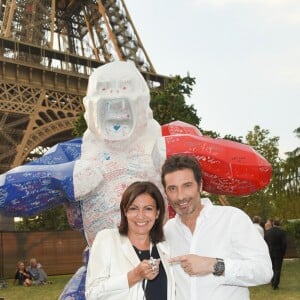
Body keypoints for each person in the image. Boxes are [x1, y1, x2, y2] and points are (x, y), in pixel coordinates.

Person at [162, 154, 273, 300]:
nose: (180, 196)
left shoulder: (232, 219)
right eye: (172, 189)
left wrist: (214, 265)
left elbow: (264, 271)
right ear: (166, 193)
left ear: (200, 185)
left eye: (187, 186)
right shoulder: (167, 230)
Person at [85, 181, 175, 300]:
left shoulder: (165, 247)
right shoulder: (107, 239)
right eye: (133, 208)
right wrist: (133, 276)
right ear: (125, 211)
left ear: (157, 213)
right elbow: (92, 294)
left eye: (148, 209)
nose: (141, 215)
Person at [264, 218, 287, 290]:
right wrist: (283, 252)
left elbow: (265, 243)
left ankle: (272, 281)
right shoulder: (282, 232)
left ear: (273, 223)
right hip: (279, 252)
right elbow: (284, 244)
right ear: (279, 224)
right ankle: (275, 284)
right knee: (277, 269)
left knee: (272, 268)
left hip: (270, 252)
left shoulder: (268, 232)